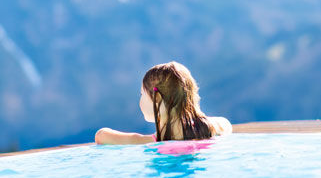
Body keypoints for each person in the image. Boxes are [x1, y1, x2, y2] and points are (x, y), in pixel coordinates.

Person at [95, 61, 232, 145]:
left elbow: (101, 135)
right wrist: (203, 121)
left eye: (142, 94)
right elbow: (226, 124)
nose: (140, 100)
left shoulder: (154, 141)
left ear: (158, 99)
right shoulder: (211, 129)